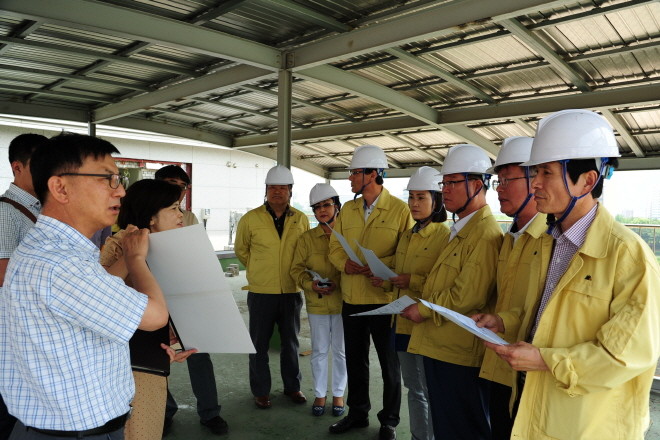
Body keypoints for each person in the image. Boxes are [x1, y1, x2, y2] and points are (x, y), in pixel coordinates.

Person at [482, 109, 660, 440]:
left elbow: (625, 356)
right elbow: (545, 317)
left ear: (587, 181)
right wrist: (504, 321)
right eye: (535, 172)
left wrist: (544, 361)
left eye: (546, 172)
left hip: (584, 424)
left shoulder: (628, 257)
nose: (535, 182)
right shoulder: (548, 242)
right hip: (533, 401)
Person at [0, 132, 169, 439]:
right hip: (76, 433)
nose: (120, 191)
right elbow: (155, 315)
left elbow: (96, 295)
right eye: (107, 179)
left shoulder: (56, 250)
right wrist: (135, 259)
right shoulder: (61, 262)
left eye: (119, 179)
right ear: (60, 188)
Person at [402, 144, 503, 440]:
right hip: (442, 345)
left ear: (477, 185)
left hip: (458, 354)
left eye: (452, 183)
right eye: (443, 183)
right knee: (446, 426)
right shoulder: (462, 230)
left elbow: (466, 296)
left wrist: (422, 309)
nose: (444, 190)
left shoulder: (484, 234)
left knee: (461, 428)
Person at [100, 179, 198, 440]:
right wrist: (131, 255)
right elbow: (101, 293)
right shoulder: (121, 243)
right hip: (125, 363)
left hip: (155, 357)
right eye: (174, 208)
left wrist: (174, 335)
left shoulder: (167, 247)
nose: (181, 215)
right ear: (151, 216)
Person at [328, 145, 413, 440]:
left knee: (389, 365)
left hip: (384, 301)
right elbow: (334, 247)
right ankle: (357, 413)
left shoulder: (400, 210)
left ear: (373, 174)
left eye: (355, 172)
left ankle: (389, 420)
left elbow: (406, 253)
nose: (350, 178)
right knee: (355, 360)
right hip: (352, 298)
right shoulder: (348, 210)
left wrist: (381, 266)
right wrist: (345, 264)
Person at [471, 136, 553, 440]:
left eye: (508, 180)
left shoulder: (551, 240)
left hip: (529, 372)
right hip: (500, 362)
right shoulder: (511, 238)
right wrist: (498, 319)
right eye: (498, 181)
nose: (500, 189)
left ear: (536, 180)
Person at [371, 166, 449, 440]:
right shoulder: (407, 234)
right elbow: (398, 272)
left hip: (426, 324)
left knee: (429, 389)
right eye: (411, 197)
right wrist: (386, 279)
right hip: (402, 322)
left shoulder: (444, 236)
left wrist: (411, 280)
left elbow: (444, 282)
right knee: (413, 389)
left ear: (436, 201)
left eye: (421, 197)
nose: (414, 203)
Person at [156, 165, 228, 436]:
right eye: (170, 184)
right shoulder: (143, 216)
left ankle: (210, 412)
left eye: (181, 187)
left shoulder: (189, 218)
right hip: (154, 297)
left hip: (186, 295)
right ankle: (164, 410)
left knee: (199, 354)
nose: (177, 191)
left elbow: (199, 255)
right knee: (158, 356)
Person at [235, 165, 310, 409]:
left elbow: (304, 252)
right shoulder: (250, 219)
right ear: (266, 190)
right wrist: (259, 269)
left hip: (291, 290)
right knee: (258, 344)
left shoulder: (300, 219)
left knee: (291, 342)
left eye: (282, 188)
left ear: (290, 191)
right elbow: (241, 250)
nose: (277, 191)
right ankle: (261, 391)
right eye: (272, 187)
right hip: (261, 291)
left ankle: (293, 387)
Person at [0, 133, 47, 440]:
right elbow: (3, 274)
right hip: (12, 328)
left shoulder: (42, 209)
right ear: (17, 167)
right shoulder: (6, 212)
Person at [291, 184, 347, 417]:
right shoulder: (306, 239)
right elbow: (296, 269)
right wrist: (310, 284)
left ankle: (338, 394)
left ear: (337, 206)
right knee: (320, 351)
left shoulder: (347, 236)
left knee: (342, 352)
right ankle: (320, 395)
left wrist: (339, 284)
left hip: (344, 302)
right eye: (317, 207)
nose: (322, 210)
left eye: (326, 205)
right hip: (317, 303)